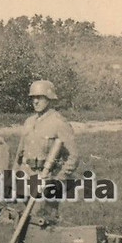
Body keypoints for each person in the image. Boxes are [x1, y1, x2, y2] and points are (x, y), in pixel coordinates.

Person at [13, 80, 78, 224]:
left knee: (42, 223)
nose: (35, 101)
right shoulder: (29, 122)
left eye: (39, 98)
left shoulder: (59, 123)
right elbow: (20, 154)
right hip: (26, 179)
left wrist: (57, 180)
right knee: (23, 223)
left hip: (46, 181)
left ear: (49, 98)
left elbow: (73, 157)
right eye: (33, 98)